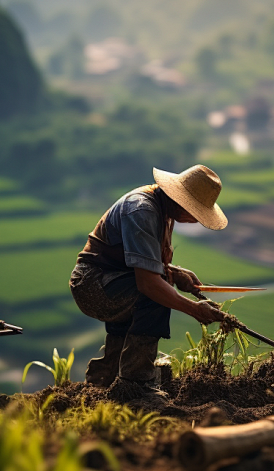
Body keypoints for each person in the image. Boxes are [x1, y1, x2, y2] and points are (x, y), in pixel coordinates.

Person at [69, 164, 227, 402]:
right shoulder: (141, 210)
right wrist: (193, 309)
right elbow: (148, 284)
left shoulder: (162, 210)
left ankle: (107, 376)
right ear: (181, 202)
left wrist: (174, 272)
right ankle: (137, 384)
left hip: (113, 281)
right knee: (155, 296)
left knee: (156, 289)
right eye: (196, 213)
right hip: (93, 285)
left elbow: (139, 262)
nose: (196, 220)